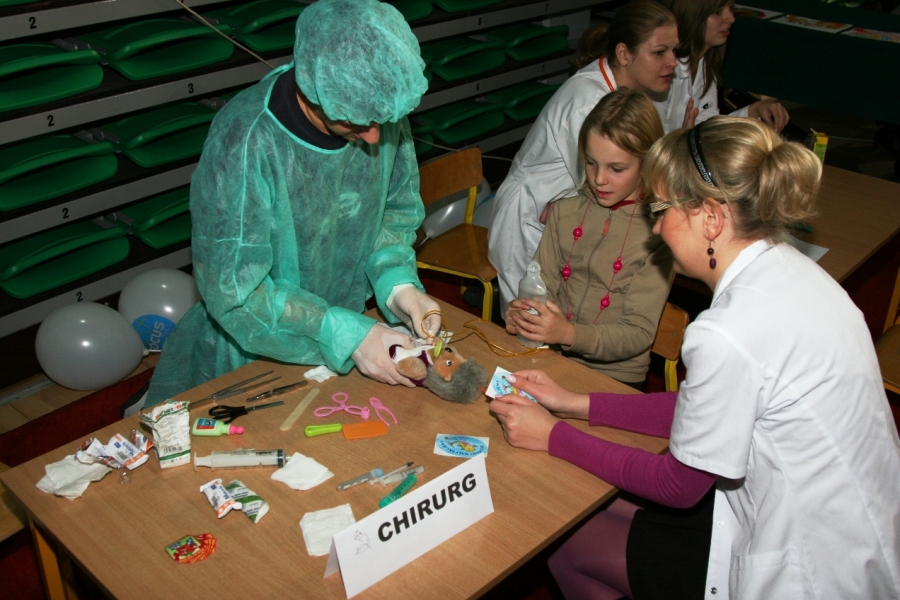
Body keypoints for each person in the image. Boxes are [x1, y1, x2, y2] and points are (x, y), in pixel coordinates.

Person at [490, 117, 900, 598]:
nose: (655, 225)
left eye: (661, 208)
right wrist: (573, 403)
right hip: (859, 526)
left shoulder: (726, 330)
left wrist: (551, 435)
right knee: (597, 506)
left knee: (567, 545)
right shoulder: (795, 272)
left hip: (811, 567)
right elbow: (705, 406)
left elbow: (676, 487)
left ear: (710, 218)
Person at [144, 0, 441, 406]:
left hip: (348, 326)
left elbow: (393, 212)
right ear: (314, 92)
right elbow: (238, 294)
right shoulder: (246, 141)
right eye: (357, 122)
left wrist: (398, 285)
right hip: (253, 343)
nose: (374, 136)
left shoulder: (371, 103)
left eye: (381, 121)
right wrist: (345, 334)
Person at [488, 0, 678, 312]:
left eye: (674, 51)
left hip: (560, 215)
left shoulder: (620, 92)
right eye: (660, 52)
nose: (672, 62)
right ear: (624, 54)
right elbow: (596, 186)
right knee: (532, 319)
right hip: (530, 219)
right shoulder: (588, 101)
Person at [504, 89, 673, 389]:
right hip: (552, 359)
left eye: (616, 168)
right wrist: (525, 315)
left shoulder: (661, 233)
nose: (599, 179)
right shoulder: (565, 213)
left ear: (648, 163)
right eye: (591, 163)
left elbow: (637, 333)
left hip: (616, 379)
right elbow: (542, 286)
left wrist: (568, 334)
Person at [656, 0, 789, 132]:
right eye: (717, 11)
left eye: (731, 8)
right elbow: (658, 141)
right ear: (691, 16)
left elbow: (708, 128)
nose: (731, 18)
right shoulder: (663, 72)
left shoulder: (704, 63)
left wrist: (754, 111)